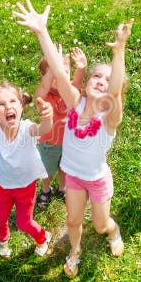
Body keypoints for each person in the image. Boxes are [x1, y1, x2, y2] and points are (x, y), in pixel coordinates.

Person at [13, 0, 131, 278]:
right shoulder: (75, 102)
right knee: (73, 220)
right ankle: (74, 251)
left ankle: (112, 231)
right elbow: (57, 68)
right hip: (74, 175)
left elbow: (114, 91)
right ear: (88, 80)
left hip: (97, 178)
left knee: (100, 225)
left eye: (108, 78)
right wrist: (42, 32)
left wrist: (119, 51)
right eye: (97, 76)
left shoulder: (110, 117)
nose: (102, 80)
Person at [0, 72, 55, 259]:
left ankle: (43, 237)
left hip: (25, 187)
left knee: (23, 223)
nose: (8, 107)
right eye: (1, 104)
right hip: (3, 186)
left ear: (21, 106)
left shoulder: (27, 129)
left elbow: (44, 129)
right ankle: (3, 241)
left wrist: (47, 119)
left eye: (13, 101)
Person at [34, 46, 87, 208]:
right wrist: (54, 66)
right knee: (47, 171)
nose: (60, 76)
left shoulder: (70, 91)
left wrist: (81, 68)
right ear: (44, 77)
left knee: (64, 169)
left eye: (64, 71)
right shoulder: (43, 95)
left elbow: (77, 82)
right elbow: (43, 88)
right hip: (49, 144)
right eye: (54, 74)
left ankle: (63, 188)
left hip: (69, 143)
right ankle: (45, 188)